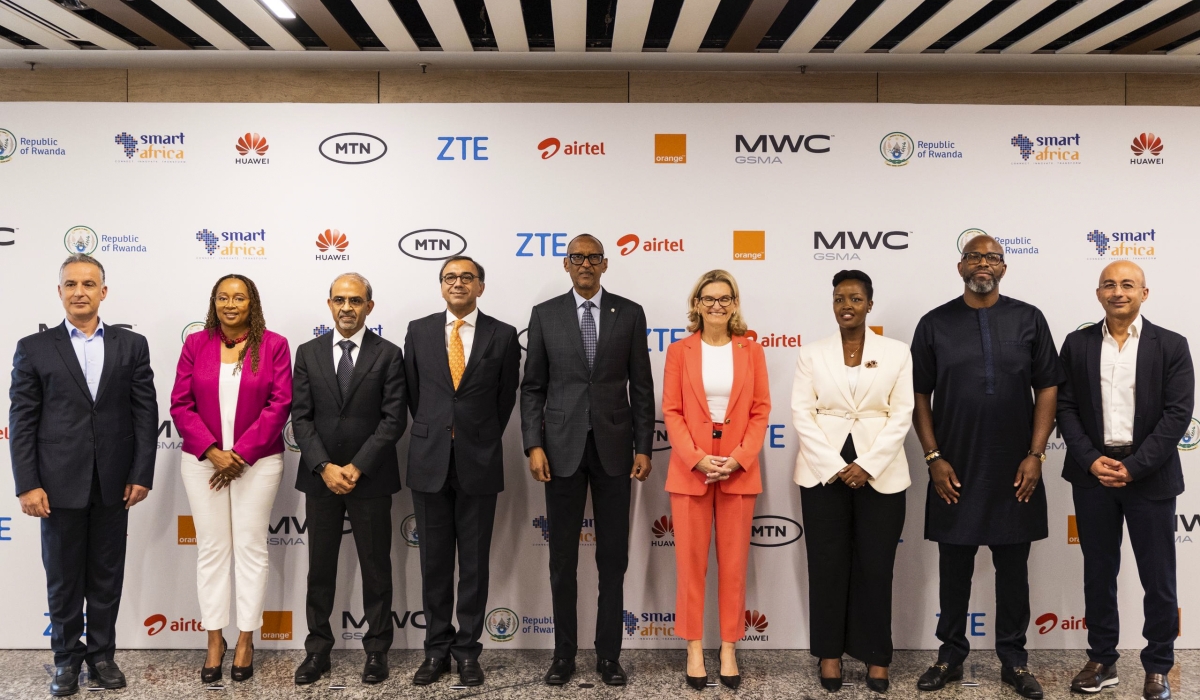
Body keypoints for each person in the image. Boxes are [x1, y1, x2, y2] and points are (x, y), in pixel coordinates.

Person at [910, 235, 1061, 700]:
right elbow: (918, 394)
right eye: (975, 256)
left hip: (1015, 470)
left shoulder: (1029, 318)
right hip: (954, 468)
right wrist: (933, 458)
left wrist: (1036, 455)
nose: (983, 264)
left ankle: (1014, 661)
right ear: (960, 268)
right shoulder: (934, 324)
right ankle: (949, 657)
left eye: (992, 257)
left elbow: (1048, 389)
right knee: (954, 568)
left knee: (1013, 571)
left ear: (1003, 268)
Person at [9, 254, 158, 697]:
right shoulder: (33, 348)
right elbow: (22, 422)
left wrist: (141, 473)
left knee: (107, 576)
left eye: (89, 284)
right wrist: (27, 483)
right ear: (59, 292)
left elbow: (145, 415)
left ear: (103, 292)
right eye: (71, 284)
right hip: (55, 486)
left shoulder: (132, 346)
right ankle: (65, 661)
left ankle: (103, 657)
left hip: (114, 482)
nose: (80, 291)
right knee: (63, 578)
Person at [520, 234, 655, 687]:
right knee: (561, 558)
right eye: (577, 257)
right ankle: (563, 655)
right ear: (566, 264)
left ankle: (609, 655)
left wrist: (643, 447)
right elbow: (533, 387)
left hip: (616, 451)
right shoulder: (545, 315)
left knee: (612, 558)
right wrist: (533, 445)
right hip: (559, 452)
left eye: (593, 257)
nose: (585, 264)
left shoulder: (630, 313)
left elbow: (642, 385)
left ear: (605, 264)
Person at [1057, 262, 1192, 700]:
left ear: (1144, 293)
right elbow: (1066, 408)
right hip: (1093, 475)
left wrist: (1135, 466)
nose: (1118, 292)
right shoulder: (1077, 344)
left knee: (1159, 577)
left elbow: (1177, 415)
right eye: (1110, 285)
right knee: (1098, 572)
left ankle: (1158, 666)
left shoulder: (1171, 345)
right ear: (1098, 293)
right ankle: (1102, 659)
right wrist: (1093, 459)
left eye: (1127, 284)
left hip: (1149, 477)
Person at [791, 270, 913, 694]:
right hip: (822, 471)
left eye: (856, 298)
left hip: (881, 471)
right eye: (840, 298)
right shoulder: (812, 354)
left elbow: (902, 415)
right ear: (832, 303)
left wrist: (867, 464)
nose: (847, 305)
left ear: (870, 304)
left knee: (876, 566)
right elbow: (802, 413)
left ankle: (877, 656)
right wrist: (834, 465)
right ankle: (829, 654)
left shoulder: (897, 353)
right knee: (827, 565)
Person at [404, 256, 520, 688]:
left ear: (481, 287)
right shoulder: (417, 331)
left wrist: (476, 434)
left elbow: (505, 398)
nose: (458, 283)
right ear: (441, 286)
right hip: (429, 460)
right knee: (434, 564)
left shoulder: (503, 335)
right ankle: (436, 651)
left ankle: (468, 652)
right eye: (450, 277)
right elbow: (416, 395)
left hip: (480, 459)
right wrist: (439, 431)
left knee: (473, 565)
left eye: (466, 278)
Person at [170, 274, 292, 684]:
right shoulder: (196, 344)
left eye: (239, 297)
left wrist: (240, 454)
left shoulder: (273, 344)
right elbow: (180, 404)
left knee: (251, 549)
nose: (230, 304)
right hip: (203, 461)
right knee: (212, 550)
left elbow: (280, 404)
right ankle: (213, 640)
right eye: (223, 297)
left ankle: (245, 639)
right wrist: (212, 451)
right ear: (214, 302)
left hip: (256, 462)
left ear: (252, 302)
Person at [291, 273, 407, 686]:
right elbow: (300, 418)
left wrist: (357, 467)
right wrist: (324, 467)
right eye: (339, 300)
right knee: (319, 569)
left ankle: (377, 652)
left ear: (369, 308)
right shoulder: (307, 353)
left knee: (376, 568)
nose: (346, 308)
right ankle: (317, 651)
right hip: (321, 477)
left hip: (370, 479)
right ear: (329, 304)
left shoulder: (389, 354)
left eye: (355, 301)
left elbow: (394, 419)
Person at [662, 270, 769, 691]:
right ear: (697, 304)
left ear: (735, 303)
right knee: (690, 564)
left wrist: (739, 459)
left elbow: (761, 411)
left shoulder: (752, 350)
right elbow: (671, 410)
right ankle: (693, 646)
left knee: (734, 566)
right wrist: (698, 458)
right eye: (709, 298)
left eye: (725, 298)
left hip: (738, 471)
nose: (717, 305)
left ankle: (728, 646)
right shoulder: (679, 350)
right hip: (692, 471)